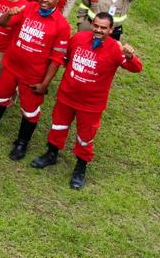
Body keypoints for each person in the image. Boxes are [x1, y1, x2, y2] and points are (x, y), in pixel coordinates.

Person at [29, 13, 143, 189]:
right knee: (58, 127)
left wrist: (130, 56)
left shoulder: (115, 49)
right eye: (96, 25)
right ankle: (51, 155)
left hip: (91, 105)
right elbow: (66, 58)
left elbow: (136, 68)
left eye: (103, 27)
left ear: (111, 30)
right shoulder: (79, 38)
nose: (98, 30)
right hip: (66, 96)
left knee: (85, 138)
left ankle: (80, 169)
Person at [0, 0, 71, 163]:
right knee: (0, 96)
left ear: (58, 0)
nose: (44, 0)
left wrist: (45, 84)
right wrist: (10, 13)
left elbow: (56, 59)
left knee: (30, 111)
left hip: (33, 76)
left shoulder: (62, 25)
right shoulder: (28, 7)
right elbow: (2, 23)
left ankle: (22, 143)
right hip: (11, 66)